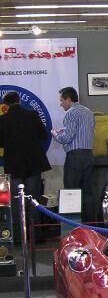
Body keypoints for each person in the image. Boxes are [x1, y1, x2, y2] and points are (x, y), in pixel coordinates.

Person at [0, 91, 51, 243]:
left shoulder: (3, 120)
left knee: (16, 201)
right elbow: (43, 135)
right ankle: (37, 236)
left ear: (5, 104)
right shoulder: (33, 115)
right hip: (33, 164)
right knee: (34, 199)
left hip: (14, 166)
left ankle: (17, 237)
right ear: (19, 100)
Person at [54, 87, 95, 220]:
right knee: (88, 192)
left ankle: (73, 226)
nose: (60, 104)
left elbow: (67, 138)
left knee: (71, 192)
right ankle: (90, 224)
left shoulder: (70, 113)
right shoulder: (88, 112)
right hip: (89, 155)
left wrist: (55, 134)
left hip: (75, 156)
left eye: (61, 100)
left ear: (68, 99)